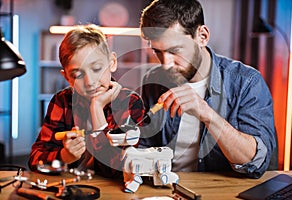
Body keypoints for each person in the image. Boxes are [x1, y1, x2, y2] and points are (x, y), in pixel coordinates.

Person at [138, 0, 277, 178]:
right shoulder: (154, 80)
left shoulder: (246, 82)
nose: (166, 64)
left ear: (202, 36)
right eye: (157, 51)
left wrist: (207, 114)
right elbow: (146, 144)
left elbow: (256, 162)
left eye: (175, 50)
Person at [28, 24, 145, 178]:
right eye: (78, 75)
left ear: (112, 62)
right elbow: (35, 160)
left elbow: (122, 169)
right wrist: (64, 156)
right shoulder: (62, 101)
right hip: (73, 187)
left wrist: (96, 108)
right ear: (67, 78)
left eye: (96, 69)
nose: (90, 82)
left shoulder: (130, 103)